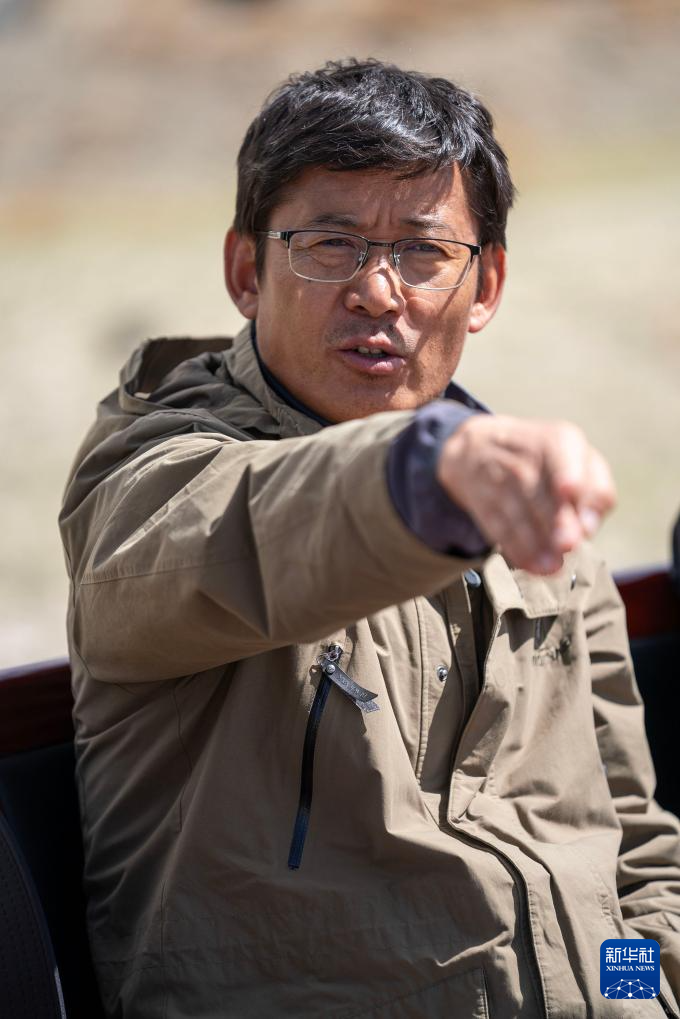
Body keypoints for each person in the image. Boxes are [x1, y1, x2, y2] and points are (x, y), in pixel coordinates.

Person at [59, 59, 680, 1018]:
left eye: (423, 252)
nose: (378, 291)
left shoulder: (532, 519)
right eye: (330, 244)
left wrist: (640, 994)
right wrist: (428, 473)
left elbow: (628, 858)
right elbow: (233, 538)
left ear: (485, 284)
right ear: (246, 272)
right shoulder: (154, 477)